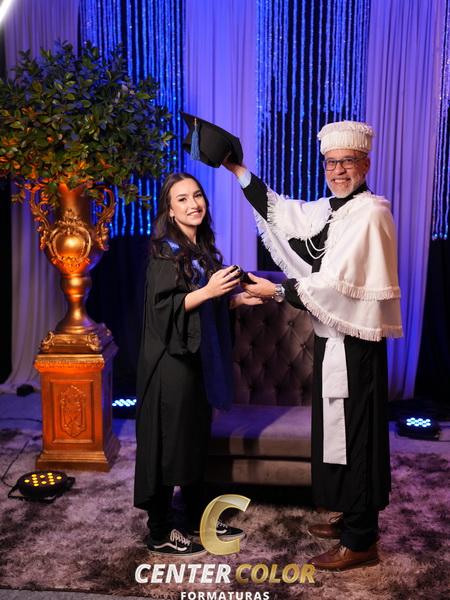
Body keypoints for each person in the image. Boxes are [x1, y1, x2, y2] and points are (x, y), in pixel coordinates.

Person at [223, 120, 403, 570]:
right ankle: (349, 517)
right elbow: (284, 216)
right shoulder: (332, 210)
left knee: (357, 438)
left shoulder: (371, 213)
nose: (338, 170)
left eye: (347, 162)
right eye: (330, 163)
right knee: (335, 433)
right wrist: (239, 170)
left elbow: (335, 283)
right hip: (332, 339)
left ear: (365, 164)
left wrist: (275, 291)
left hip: (357, 346)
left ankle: (361, 540)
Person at [134, 172, 259, 556]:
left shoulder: (199, 249)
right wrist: (208, 291)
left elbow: (201, 308)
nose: (194, 204)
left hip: (195, 362)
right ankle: (159, 531)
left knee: (192, 444)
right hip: (170, 367)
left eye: (197, 195)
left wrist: (234, 300)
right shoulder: (164, 253)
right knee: (169, 446)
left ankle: (195, 518)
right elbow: (164, 310)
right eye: (183, 199)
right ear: (170, 211)